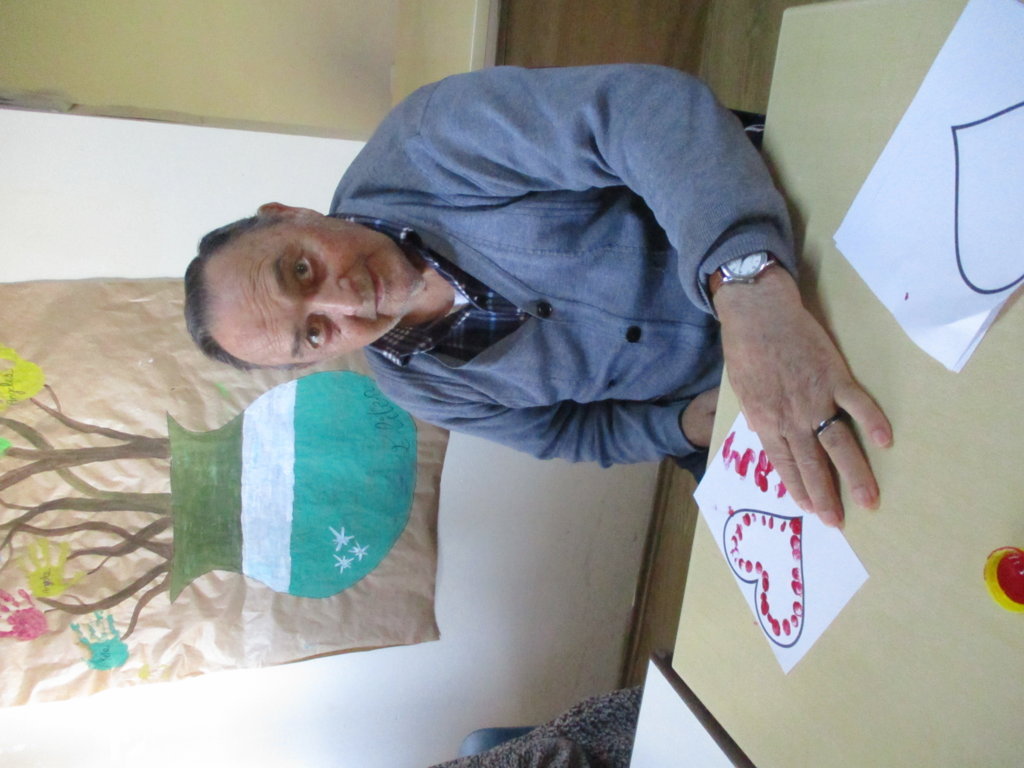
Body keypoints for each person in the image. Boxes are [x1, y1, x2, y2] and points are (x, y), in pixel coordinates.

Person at [185, 64, 891, 527]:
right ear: (316, 358)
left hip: (789, 229)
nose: (345, 304)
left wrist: (750, 294)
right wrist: (681, 429)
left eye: (299, 270)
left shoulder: (428, 141)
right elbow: (568, 434)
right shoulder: (419, 389)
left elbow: (641, 112)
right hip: (737, 392)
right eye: (314, 333)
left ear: (289, 215)